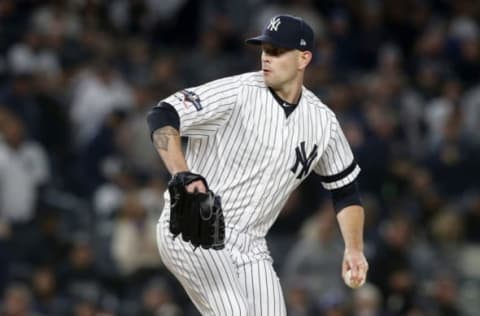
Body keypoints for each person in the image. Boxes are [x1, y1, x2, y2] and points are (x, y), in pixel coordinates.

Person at [147, 14, 368, 315]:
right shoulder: (238, 93)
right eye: (265, 50)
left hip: (251, 243)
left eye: (277, 52)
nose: (266, 58)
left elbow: (346, 191)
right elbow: (162, 115)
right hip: (194, 223)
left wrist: (354, 249)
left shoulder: (323, 122)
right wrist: (181, 172)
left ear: (304, 58)